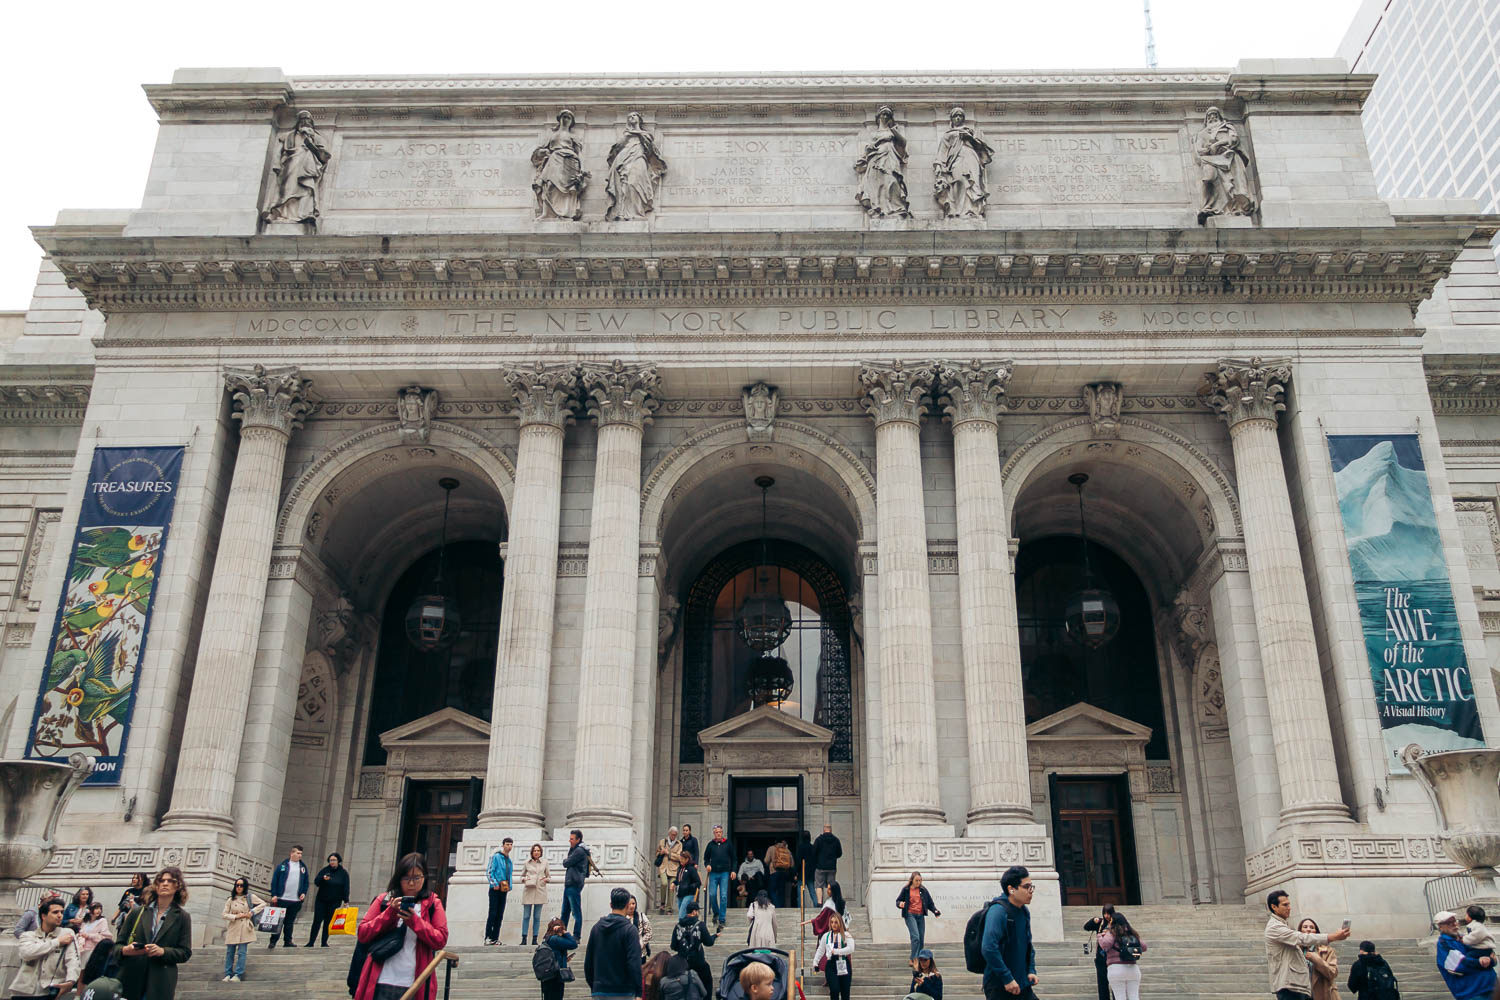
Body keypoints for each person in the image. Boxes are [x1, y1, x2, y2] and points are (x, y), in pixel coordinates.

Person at [353, 852, 450, 1000]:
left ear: (424, 878)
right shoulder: (384, 900)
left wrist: (414, 921)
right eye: (406, 878)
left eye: (417, 878)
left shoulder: (432, 904)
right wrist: (390, 913)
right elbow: (363, 933)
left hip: (415, 982)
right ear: (399, 879)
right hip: (380, 979)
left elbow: (440, 939)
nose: (411, 883)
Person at [115, 866, 192, 1000]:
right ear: (155, 885)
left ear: (178, 886)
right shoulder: (137, 912)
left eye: (170, 881)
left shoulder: (182, 917)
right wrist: (126, 950)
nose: (165, 884)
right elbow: (117, 946)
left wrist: (163, 951)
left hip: (160, 981)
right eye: (161, 881)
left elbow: (185, 952)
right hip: (130, 977)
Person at [1264, 889, 1350, 1000]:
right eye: (1285, 905)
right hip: (1290, 985)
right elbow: (1302, 938)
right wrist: (1333, 937)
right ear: (1274, 907)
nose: (1289, 908)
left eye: (1289, 904)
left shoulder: (1282, 924)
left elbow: (1332, 972)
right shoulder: (1274, 927)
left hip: (1299, 986)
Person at [261, 110, 331, 226]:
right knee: (287, 190)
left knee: (307, 188)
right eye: (302, 121)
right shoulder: (288, 136)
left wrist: (311, 143)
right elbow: (278, 153)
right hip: (290, 167)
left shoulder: (317, 137)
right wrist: (277, 165)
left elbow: (324, 156)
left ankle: (304, 213)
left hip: (308, 168)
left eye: (308, 121)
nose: (305, 123)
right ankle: (281, 213)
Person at [980, 865, 1038, 1000]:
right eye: (1026, 887)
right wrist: (1007, 978)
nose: (1031, 891)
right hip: (1001, 986)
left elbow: (1028, 945)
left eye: (1031, 886)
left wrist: (1031, 970)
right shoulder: (998, 911)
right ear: (1011, 889)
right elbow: (988, 948)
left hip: (1022, 984)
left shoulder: (1023, 911)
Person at [8, 896, 80, 1000]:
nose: (60, 915)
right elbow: (27, 953)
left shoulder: (67, 934)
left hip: (50, 991)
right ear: (44, 916)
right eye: (55, 912)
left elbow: (73, 960)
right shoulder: (28, 935)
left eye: (61, 912)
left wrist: (70, 981)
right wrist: (57, 942)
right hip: (23, 992)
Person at [604, 111, 668, 221]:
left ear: (639, 119)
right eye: (629, 116)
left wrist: (639, 135)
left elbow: (650, 149)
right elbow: (615, 149)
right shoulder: (626, 135)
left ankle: (637, 211)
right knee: (623, 185)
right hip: (623, 159)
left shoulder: (645, 135)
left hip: (639, 158)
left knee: (635, 182)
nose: (632, 117)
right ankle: (623, 212)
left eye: (634, 115)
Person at [933, 107, 994, 218]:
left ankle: (971, 210)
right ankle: (958, 210)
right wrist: (938, 167)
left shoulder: (971, 132)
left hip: (971, 157)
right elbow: (942, 152)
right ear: (951, 119)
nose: (958, 118)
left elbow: (982, 149)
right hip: (956, 160)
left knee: (973, 182)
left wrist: (970, 138)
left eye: (960, 116)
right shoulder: (947, 135)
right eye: (956, 116)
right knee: (959, 181)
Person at [531, 109, 590, 221]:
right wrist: (543, 152)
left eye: (568, 117)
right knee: (548, 184)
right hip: (554, 159)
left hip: (570, 161)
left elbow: (579, 153)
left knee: (568, 188)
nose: (566, 119)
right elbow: (541, 150)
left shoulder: (573, 136)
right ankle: (547, 212)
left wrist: (582, 168)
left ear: (571, 121)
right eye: (564, 117)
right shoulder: (552, 136)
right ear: (560, 119)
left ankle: (565, 212)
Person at [585, 887, 643, 1000]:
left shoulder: (596, 928)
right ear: (627, 905)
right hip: (623, 991)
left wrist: (595, 986)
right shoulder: (630, 930)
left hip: (599, 991)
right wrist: (639, 991)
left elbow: (588, 962)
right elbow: (634, 963)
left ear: (611, 905)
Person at [1436, 912, 1497, 1000]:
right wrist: (1481, 962)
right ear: (1440, 926)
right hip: (1473, 994)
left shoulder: (1466, 938)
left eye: (1455, 921)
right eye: (1449, 923)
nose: (1454, 924)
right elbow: (1460, 965)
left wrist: (1490, 960)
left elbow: (1490, 954)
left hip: (1492, 988)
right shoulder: (1443, 944)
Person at [221, 876, 265, 983]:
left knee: (242, 952)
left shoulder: (249, 897)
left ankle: (238, 974)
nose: (239, 887)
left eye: (241, 885)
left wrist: (252, 912)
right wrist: (235, 916)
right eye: (237, 885)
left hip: (245, 926)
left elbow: (263, 903)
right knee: (230, 952)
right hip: (233, 925)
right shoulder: (231, 899)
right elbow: (224, 914)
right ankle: (228, 973)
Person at [670, 900, 718, 997]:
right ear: (694, 912)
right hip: (698, 963)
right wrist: (715, 936)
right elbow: (708, 942)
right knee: (707, 981)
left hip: (682, 964)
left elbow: (673, 946)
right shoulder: (700, 925)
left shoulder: (678, 926)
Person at [1099, 911, 1148, 1000]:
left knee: (1120, 997)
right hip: (1133, 969)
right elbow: (1144, 947)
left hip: (1116, 968)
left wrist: (1100, 936)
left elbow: (1105, 944)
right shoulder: (1131, 933)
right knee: (1134, 997)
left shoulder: (1112, 933)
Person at [268, 844, 309, 948]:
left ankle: (288, 941)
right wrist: (274, 894)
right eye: (298, 853)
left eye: (301, 854)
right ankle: (273, 941)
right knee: (278, 921)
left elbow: (306, 882)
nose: (300, 855)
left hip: (295, 900)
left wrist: (303, 892)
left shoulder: (303, 867)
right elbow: (275, 880)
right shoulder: (283, 866)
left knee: (289, 922)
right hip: (282, 898)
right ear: (292, 853)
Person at [896, 871, 941, 967]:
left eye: (920, 880)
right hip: (910, 914)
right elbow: (898, 900)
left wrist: (935, 911)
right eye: (916, 880)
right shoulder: (906, 890)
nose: (918, 882)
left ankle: (920, 958)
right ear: (912, 880)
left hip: (920, 915)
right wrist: (900, 904)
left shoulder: (923, 890)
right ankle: (913, 959)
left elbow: (929, 903)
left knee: (921, 938)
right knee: (915, 937)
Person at [309, 852, 351, 948]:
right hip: (321, 900)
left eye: (334, 860)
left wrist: (346, 900)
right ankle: (311, 942)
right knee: (317, 921)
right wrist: (323, 879)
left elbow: (346, 887)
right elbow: (316, 882)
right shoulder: (325, 870)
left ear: (338, 861)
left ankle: (324, 942)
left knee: (328, 922)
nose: (332, 862)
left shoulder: (343, 873)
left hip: (334, 901)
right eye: (330, 860)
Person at [813, 911, 854, 1000]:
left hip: (844, 964)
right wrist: (815, 963)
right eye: (832, 922)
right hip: (831, 965)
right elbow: (820, 950)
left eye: (836, 922)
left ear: (840, 922)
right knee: (834, 990)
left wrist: (836, 951)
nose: (833, 924)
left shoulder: (846, 935)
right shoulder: (826, 936)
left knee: (845, 993)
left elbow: (851, 948)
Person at [562, 830, 594, 939]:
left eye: (572, 839)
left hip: (574, 884)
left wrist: (566, 859)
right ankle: (562, 932)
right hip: (570, 884)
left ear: (578, 839)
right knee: (565, 912)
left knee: (575, 912)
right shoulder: (576, 850)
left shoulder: (579, 851)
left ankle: (576, 935)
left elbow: (566, 863)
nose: (569, 841)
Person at [703, 826, 734, 930]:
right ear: (714, 834)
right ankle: (716, 912)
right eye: (716, 832)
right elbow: (706, 858)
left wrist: (733, 870)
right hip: (713, 873)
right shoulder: (710, 845)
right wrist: (707, 865)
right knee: (712, 894)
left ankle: (722, 918)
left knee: (723, 896)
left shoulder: (728, 844)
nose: (718, 834)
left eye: (720, 832)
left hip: (724, 873)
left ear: (722, 833)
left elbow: (734, 858)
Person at [1082, 905, 1116, 1000]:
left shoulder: (1116, 923)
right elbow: (1086, 927)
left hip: (1113, 958)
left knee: (1115, 984)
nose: (1106, 916)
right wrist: (1093, 920)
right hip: (1101, 958)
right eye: (1104, 913)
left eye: (1108, 913)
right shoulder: (1101, 923)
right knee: (1102, 984)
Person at [539, 918, 579, 1000]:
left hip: (548, 977)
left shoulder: (547, 938)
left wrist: (564, 959)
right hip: (555, 977)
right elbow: (573, 944)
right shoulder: (555, 939)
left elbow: (554, 956)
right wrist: (565, 932)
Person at [1300, 919, 1340, 1000]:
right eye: (1305, 927)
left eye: (1312, 927)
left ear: (1316, 932)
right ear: (1300, 931)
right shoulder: (1295, 950)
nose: (1308, 929)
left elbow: (1333, 972)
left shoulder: (1327, 950)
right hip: (1301, 994)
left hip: (1323, 994)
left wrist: (1317, 960)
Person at [486, 837, 515, 946]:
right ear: (503, 845)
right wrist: (494, 883)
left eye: (511, 844)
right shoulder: (496, 857)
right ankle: (488, 937)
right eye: (507, 844)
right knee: (492, 913)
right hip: (495, 889)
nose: (509, 846)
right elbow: (489, 871)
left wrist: (510, 886)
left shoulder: (509, 861)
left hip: (504, 889)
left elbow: (510, 875)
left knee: (500, 914)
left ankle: (495, 937)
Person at [522, 843, 551, 946]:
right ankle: (524, 938)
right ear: (532, 852)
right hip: (529, 890)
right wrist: (525, 879)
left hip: (540, 890)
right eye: (535, 850)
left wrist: (545, 880)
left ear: (541, 852)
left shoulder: (545, 863)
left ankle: (535, 938)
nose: (536, 852)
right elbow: (522, 876)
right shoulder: (526, 863)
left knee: (537, 916)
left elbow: (549, 876)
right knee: (526, 916)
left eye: (538, 850)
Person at [811, 824, 842, 904]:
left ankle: (819, 903)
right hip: (832, 867)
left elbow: (813, 852)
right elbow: (839, 853)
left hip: (820, 866)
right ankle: (831, 902)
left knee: (819, 885)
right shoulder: (836, 840)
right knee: (831, 885)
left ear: (823, 830)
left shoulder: (818, 840)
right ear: (831, 830)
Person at [79, 901, 115, 969]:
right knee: (79, 968)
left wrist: (89, 936)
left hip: (93, 949)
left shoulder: (102, 921)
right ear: (90, 910)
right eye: (96, 908)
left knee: (86, 969)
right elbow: (81, 932)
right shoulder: (86, 921)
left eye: (100, 908)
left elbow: (106, 937)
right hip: (82, 948)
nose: (99, 911)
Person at [657, 828, 684, 915]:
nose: (673, 836)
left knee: (672, 887)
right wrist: (661, 852)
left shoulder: (679, 844)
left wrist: (668, 853)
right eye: (672, 834)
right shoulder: (662, 841)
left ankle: (669, 908)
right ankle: (662, 903)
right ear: (669, 834)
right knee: (664, 883)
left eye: (675, 834)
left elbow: (679, 857)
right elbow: (657, 853)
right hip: (663, 867)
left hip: (674, 869)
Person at [767, 840, 794, 908]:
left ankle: (777, 906)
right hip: (783, 872)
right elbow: (792, 864)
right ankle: (781, 906)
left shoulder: (771, 848)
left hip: (773, 872)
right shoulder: (786, 850)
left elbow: (766, 860)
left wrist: (770, 864)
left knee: (772, 891)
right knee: (781, 891)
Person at [795, 832, 815, 907]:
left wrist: (796, 872)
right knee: (812, 892)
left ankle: (800, 907)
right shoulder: (812, 847)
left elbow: (798, 860)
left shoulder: (801, 847)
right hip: (810, 873)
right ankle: (816, 905)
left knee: (800, 893)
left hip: (802, 873)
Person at [629, 895, 653, 959]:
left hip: (641, 953)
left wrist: (640, 944)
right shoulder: (622, 918)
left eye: (633, 903)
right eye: (629, 904)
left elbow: (649, 932)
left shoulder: (641, 916)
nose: (631, 906)